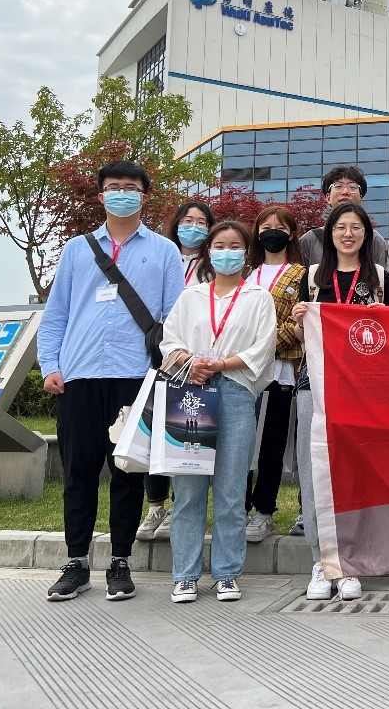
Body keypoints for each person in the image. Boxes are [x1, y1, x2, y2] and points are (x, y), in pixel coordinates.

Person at [37, 161, 184, 602]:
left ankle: (121, 561)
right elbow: (56, 313)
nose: (123, 193)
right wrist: (50, 366)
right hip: (79, 375)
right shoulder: (76, 250)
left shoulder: (164, 251)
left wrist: (169, 369)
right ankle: (76, 562)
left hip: (135, 376)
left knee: (128, 472)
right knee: (78, 472)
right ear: (101, 196)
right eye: (114, 187)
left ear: (144, 196)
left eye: (131, 187)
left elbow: (174, 316)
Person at [160, 220, 277, 603]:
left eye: (235, 245)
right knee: (188, 490)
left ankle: (227, 573)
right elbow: (169, 341)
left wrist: (222, 364)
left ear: (247, 252)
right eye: (220, 245)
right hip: (191, 392)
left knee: (231, 490)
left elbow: (264, 348)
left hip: (236, 394)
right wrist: (191, 361)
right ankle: (185, 575)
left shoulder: (258, 297)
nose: (227, 252)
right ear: (209, 252)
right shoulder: (191, 296)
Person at [291, 202, 389, 601]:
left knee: (357, 472)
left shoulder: (382, 278)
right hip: (316, 384)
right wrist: (300, 321)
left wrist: (386, 316)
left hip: (364, 389)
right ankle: (321, 561)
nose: (348, 234)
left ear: (367, 235)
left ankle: (352, 561)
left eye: (356, 227)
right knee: (314, 470)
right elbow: (301, 338)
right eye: (341, 227)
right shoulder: (312, 278)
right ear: (329, 234)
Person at [137, 200, 216, 544]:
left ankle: (179, 506)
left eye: (201, 222)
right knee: (153, 431)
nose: (193, 227)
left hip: (194, 359)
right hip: (158, 354)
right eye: (187, 220)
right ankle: (155, 505)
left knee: (182, 432)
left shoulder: (212, 266)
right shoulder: (160, 257)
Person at [244, 205, 306, 543]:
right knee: (240, 444)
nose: (272, 232)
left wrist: (262, 346)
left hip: (279, 372)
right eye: (265, 226)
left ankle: (264, 510)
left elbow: (298, 326)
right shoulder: (245, 273)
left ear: (291, 234)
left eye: (280, 227)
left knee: (271, 443)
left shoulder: (301, 275)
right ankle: (237, 508)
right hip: (241, 372)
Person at [299, 165, 389, 267]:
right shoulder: (310, 240)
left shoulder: (374, 240)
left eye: (352, 187)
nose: (345, 192)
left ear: (361, 197)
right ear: (328, 197)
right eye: (338, 186)